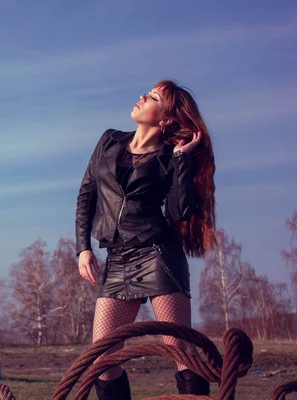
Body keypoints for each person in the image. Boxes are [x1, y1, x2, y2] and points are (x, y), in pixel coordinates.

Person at [75, 79, 216, 399]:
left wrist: (181, 159)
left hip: (157, 256)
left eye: (152, 97)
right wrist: (83, 248)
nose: (141, 96)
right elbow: (87, 194)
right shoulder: (109, 140)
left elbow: (180, 212)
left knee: (179, 349)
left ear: (165, 119)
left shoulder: (171, 157)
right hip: (117, 258)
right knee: (102, 357)